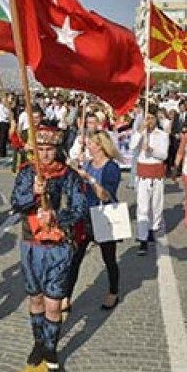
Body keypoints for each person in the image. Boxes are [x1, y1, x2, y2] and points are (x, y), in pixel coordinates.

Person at [11, 125, 87, 372]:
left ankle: (52, 351)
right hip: (31, 245)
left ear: (57, 149)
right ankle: (38, 343)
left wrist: (57, 215)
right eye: (40, 149)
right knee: (35, 300)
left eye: (49, 149)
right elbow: (15, 203)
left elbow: (79, 209)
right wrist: (33, 192)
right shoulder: (26, 174)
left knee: (53, 304)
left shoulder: (69, 177)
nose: (44, 155)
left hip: (59, 248)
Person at [65, 130, 122, 312]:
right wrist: (74, 168)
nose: (88, 146)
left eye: (91, 143)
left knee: (109, 258)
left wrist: (88, 178)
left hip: (103, 215)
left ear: (100, 146)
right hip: (85, 216)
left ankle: (113, 292)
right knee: (75, 259)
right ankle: (66, 296)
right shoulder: (88, 163)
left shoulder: (111, 167)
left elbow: (105, 195)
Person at [130, 112, 169, 256]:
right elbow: (132, 146)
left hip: (157, 174)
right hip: (143, 175)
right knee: (142, 207)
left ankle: (153, 229)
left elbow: (164, 155)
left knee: (156, 206)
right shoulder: (140, 133)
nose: (149, 121)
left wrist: (151, 150)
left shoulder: (162, 135)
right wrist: (140, 132)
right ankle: (142, 239)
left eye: (152, 118)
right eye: (147, 118)